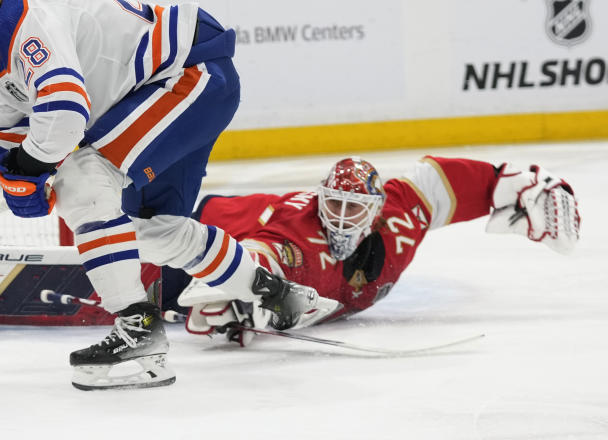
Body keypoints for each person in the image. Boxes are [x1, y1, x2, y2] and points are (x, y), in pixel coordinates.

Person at [0, 0, 321, 390]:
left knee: (83, 178)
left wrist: (27, 170)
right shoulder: (13, 39)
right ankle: (277, 293)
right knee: (156, 231)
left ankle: (138, 329)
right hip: (190, 82)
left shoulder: (31, 22)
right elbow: (7, 135)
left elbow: (65, 116)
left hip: (188, 77)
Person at [183, 156, 581, 344]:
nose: (339, 217)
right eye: (333, 204)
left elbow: (444, 184)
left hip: (216, 232)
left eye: (353, 207)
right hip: (196, 234)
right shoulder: (301, 234)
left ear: (376, 211)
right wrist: (237, 288)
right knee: (125, 296)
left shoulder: (401, 217)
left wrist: (524, 185)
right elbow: (263, 252)